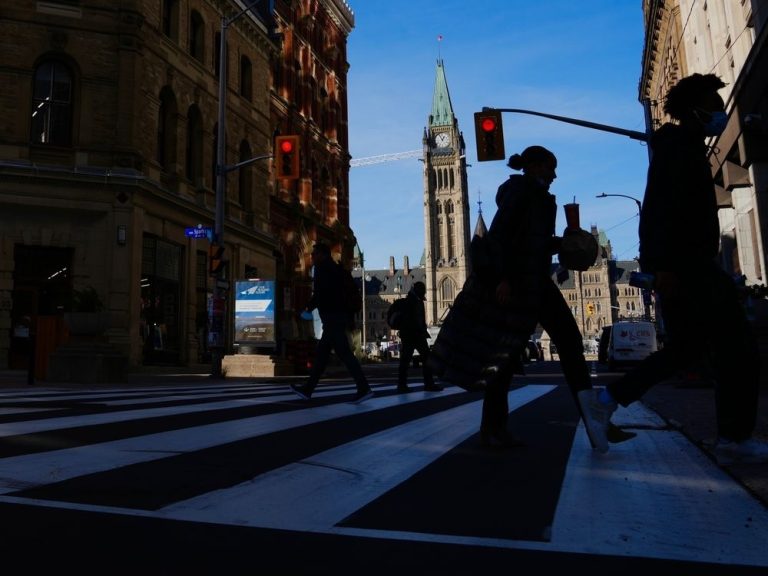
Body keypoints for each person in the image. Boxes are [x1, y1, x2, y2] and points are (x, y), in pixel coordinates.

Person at [584, 73, 768, 463]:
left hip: (687, 266)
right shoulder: (679, 150)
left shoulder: (684, 148)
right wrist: (663, 267)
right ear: (696, 109)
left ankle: (605, 401)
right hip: (688, 268)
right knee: (737, 348)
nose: (720, 111)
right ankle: (734, 438)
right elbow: (658, 212)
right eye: (714, 104)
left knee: (685, 350)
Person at [478, 145, 621, 451]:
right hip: (519, 282)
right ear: (534, 166)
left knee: (569, 343)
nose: (554, 174)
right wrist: (503, 278)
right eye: (550, 168)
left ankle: (595, 420)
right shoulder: (519, 192)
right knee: (506, 356)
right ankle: (492, 428)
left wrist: (565, 242)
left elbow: (535, 242)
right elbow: (499, 237)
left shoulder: (537, 196)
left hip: (536, 280)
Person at [290, 243, 374, 404]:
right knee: (323, 356)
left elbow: (321, 293)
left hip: (332, 318)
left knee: (343, 354)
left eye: (314, 254)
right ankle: (308, 389)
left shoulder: (322, 269)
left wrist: (308, 307)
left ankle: (363, 388)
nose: (312, 256)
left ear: (322, 254)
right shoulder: (335, 268)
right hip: (337, 317)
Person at [396, 281, 443, 393]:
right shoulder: (414, 301)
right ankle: (428, 384)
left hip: (412, 334)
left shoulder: (413, 300)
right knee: (423, 359)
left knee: (406, 361)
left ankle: (403, 385)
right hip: (414, 334)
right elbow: (416, 320)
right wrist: (421, 330)